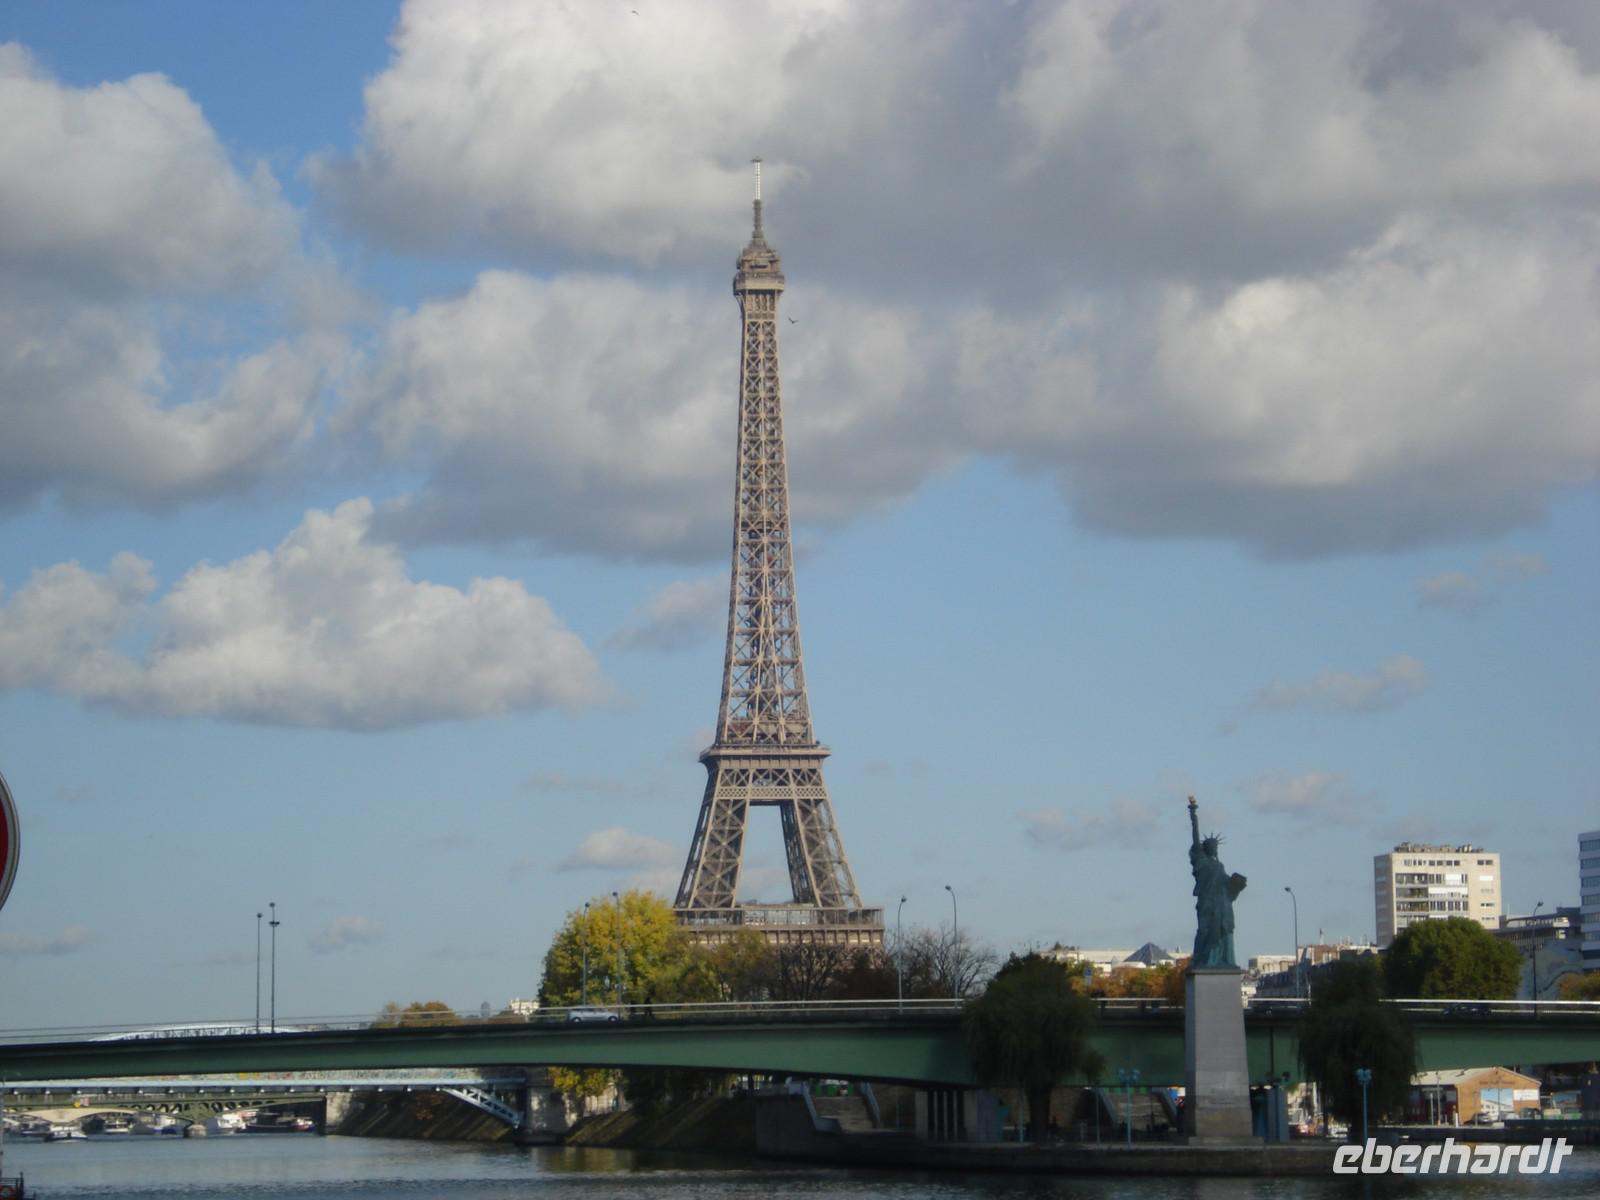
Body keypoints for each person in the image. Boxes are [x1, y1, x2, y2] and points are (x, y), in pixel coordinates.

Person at [1188, 796, 1246, 967]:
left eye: (1216, 847)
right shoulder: (1201, 861)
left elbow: (1228, 887)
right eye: (1211, 846)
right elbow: (1195, 838)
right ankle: (1203, 960)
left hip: (1222, 904)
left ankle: (1225, 960)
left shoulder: (1219, 866)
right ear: (1206, 849)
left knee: (1225, 931)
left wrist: (1237, 885)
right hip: (1207, 903)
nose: (1214, 849)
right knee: (1205, 931)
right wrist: (1193, 815)